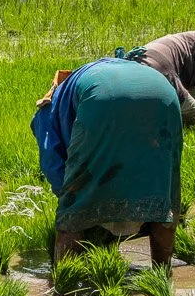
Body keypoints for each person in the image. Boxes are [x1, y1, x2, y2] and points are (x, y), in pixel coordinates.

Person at [32, 56, 182, 266]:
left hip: (103, 97)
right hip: (164, 92)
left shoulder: (49, 106)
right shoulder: (91, 75)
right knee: (163, 184)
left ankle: (66, 283)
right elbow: (131, 159)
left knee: (73, 207)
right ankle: (163, 272)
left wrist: (72, 199)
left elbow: (52, 162)